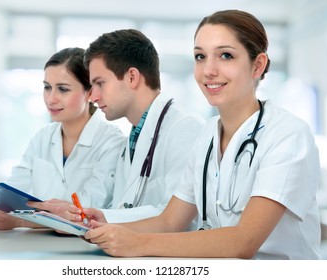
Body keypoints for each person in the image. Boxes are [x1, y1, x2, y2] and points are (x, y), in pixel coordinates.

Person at [83, 10, 322, 259]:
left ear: (257, 66)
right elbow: (169, 223)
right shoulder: (207, 134)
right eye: (200, 56)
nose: (208, 70)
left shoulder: (287, 134)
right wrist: (104, 227)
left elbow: (244, 240)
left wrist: (138, 243)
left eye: (225, 55)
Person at [29, 29, 205, 225]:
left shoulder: (184, 128)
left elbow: (178, 216)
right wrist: (79, 216)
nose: (93, 96)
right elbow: (122, 207)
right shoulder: (132, 139)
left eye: (100, 83)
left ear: (132, 77)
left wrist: (105, 218)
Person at [0, 47, 125, 229]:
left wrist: (21, 221)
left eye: (63, 89)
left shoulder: (111, 142)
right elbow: (11, 195)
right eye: (47, 87)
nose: (51, 99)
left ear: (90, 93)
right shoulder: (42, 138)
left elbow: (85, 212)